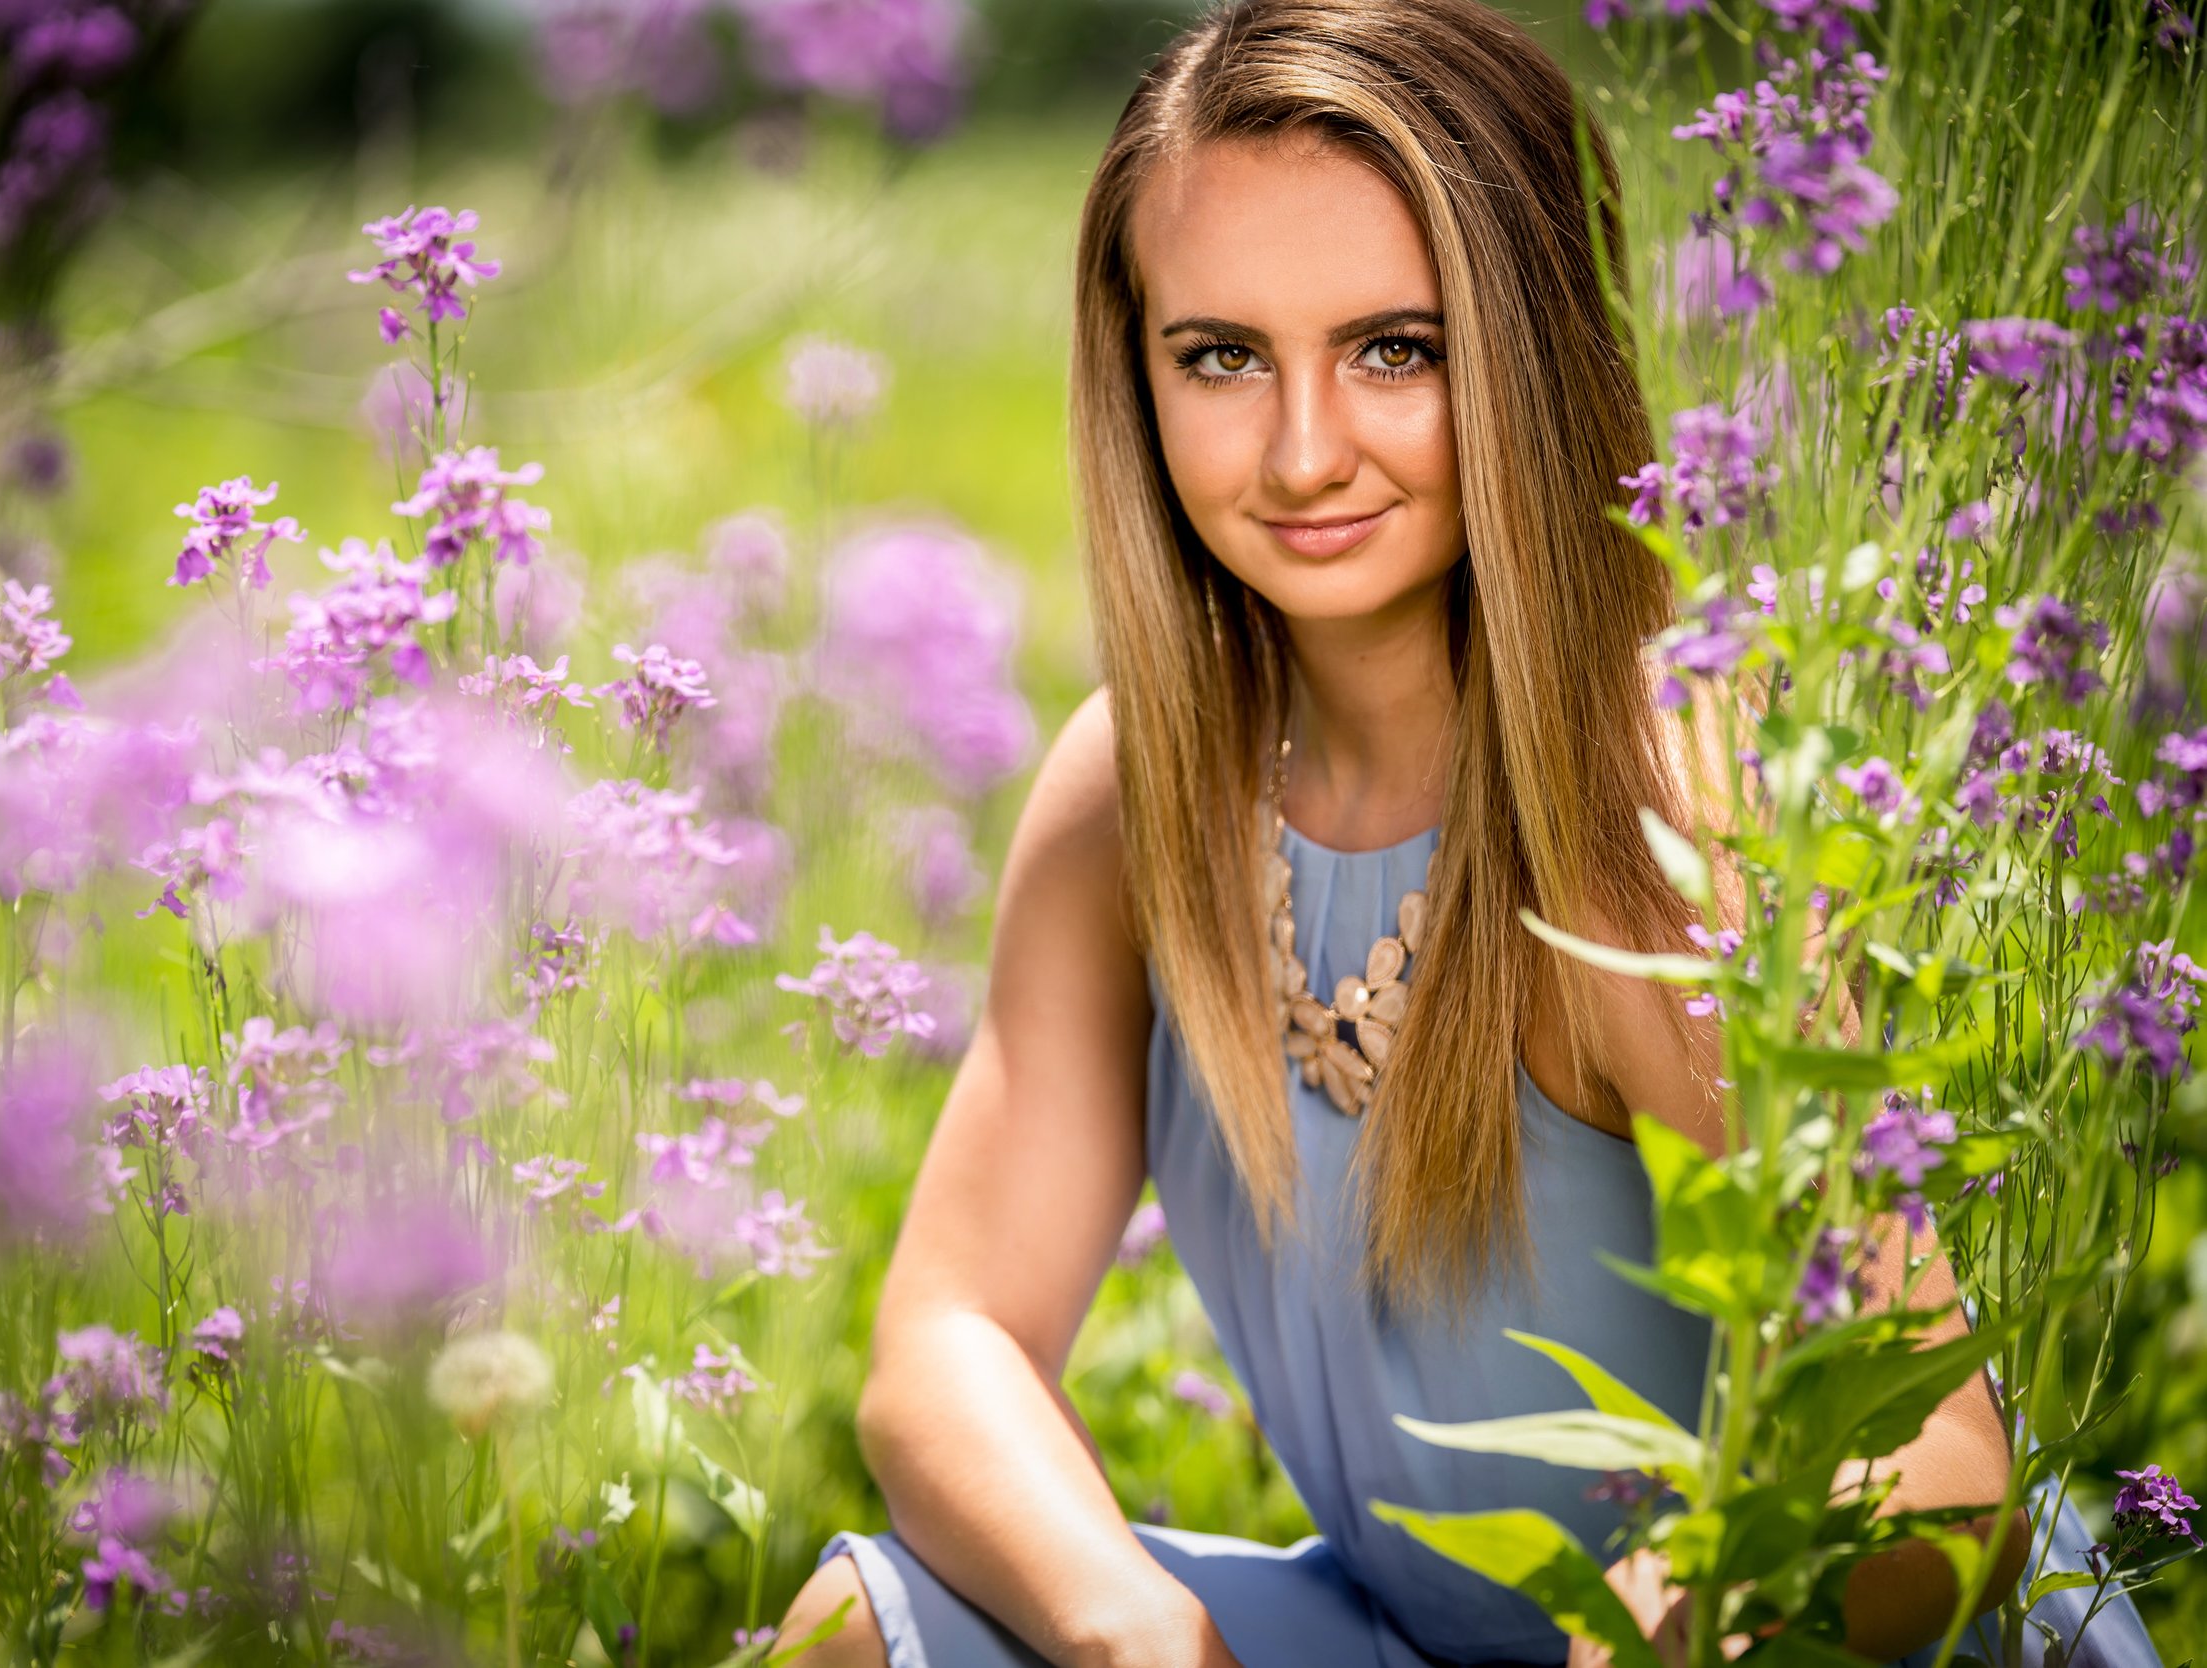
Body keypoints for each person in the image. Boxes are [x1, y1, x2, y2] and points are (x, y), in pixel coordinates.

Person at [776, 2, 2164, 1663]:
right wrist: (1136, 1635)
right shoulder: (1139, 795)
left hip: (1746, 1644)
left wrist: (1652, 1639)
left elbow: (1938, 1468)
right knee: (859, 1636)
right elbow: (951, 1338)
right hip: (1406, 1636)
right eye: (1220, 356)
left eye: (1396, 350)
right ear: (1135, 368)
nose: (1302, 452)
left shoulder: (1646, 810)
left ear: (1535, 350)